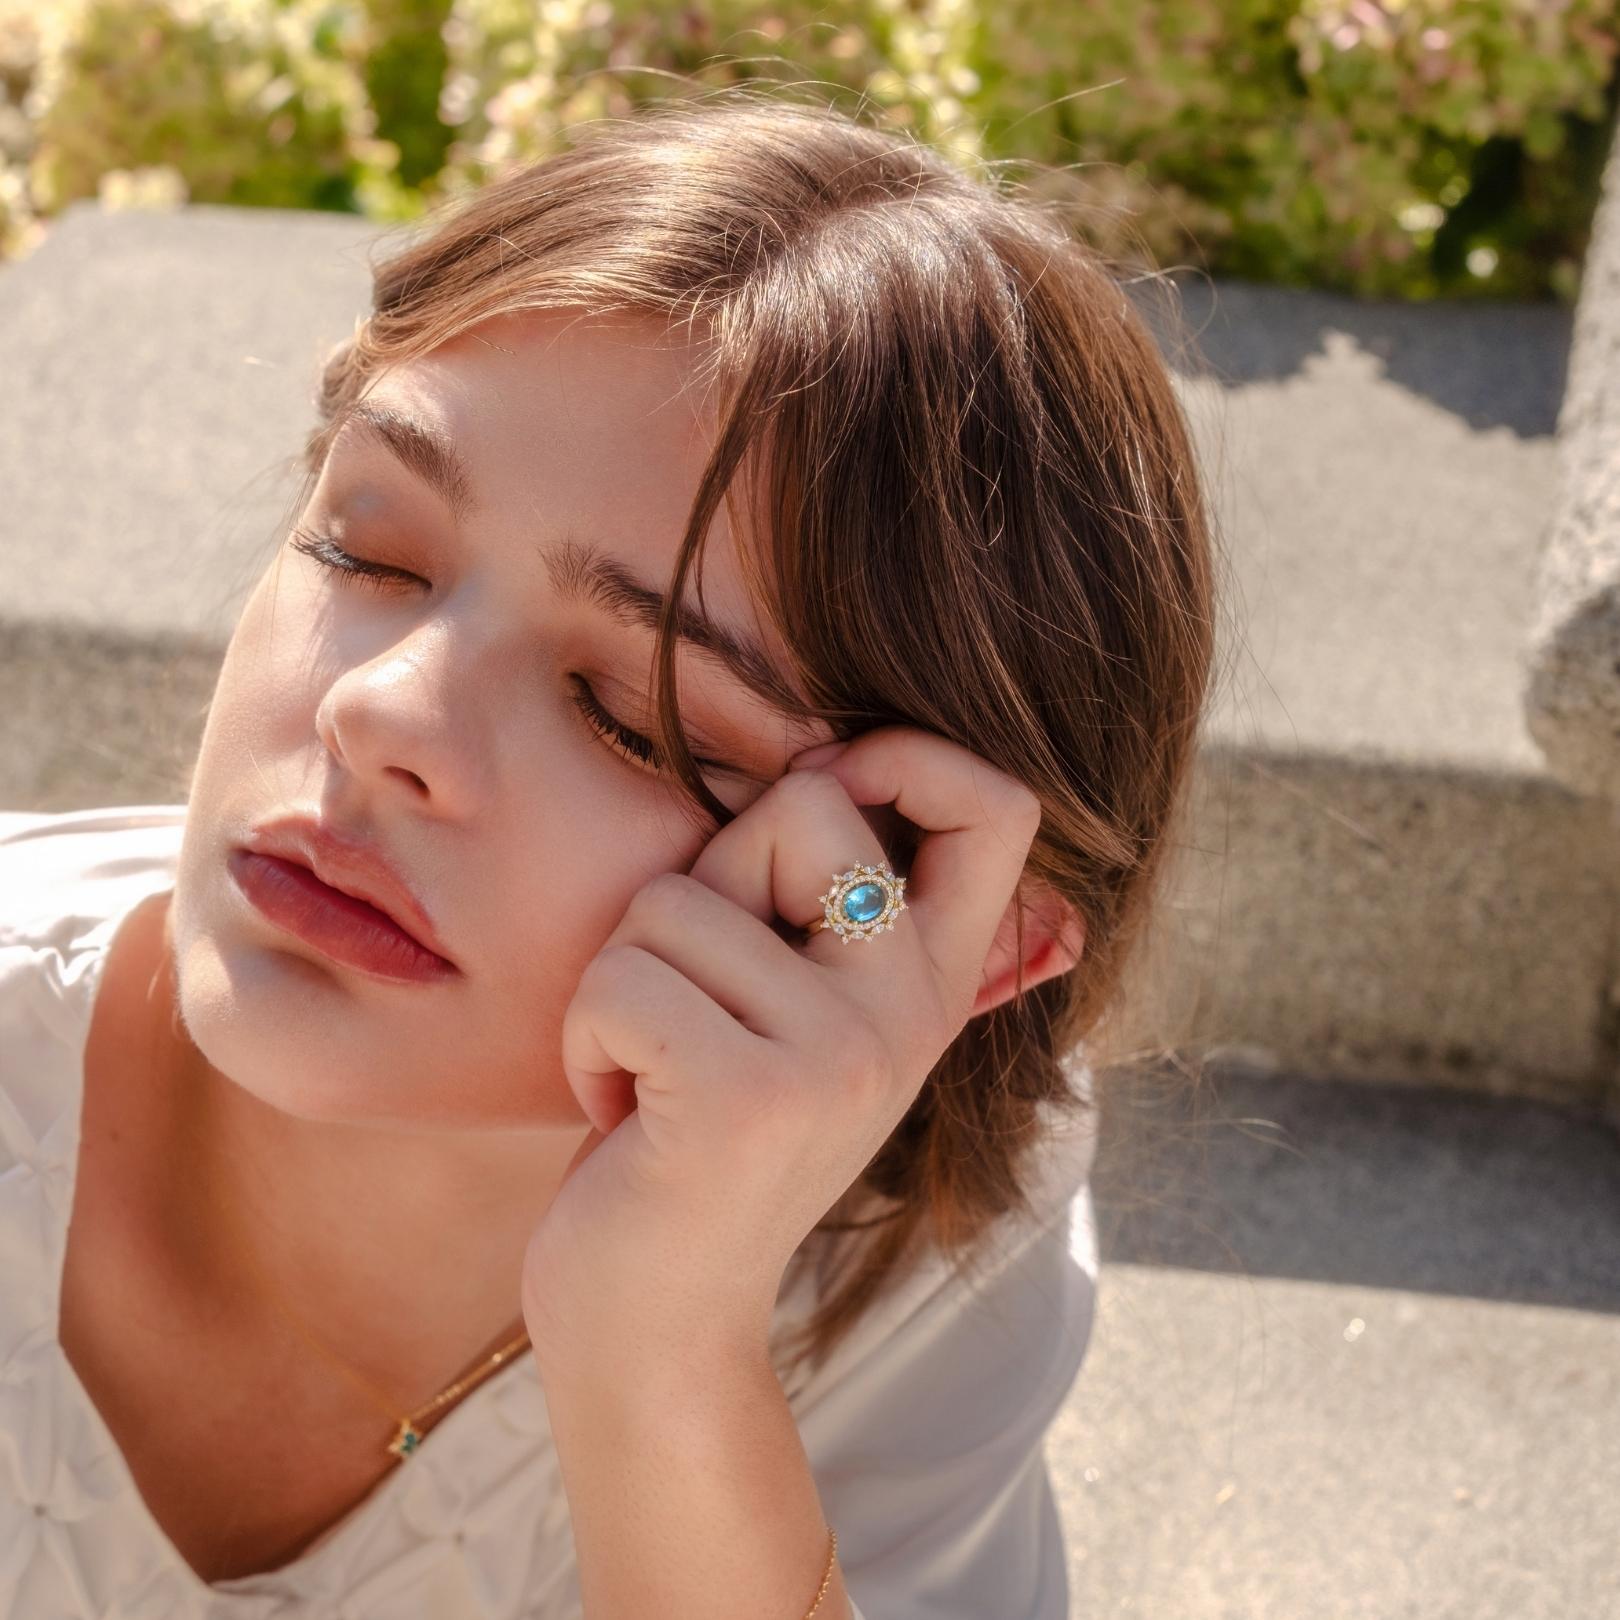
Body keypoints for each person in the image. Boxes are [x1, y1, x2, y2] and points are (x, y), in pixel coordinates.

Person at [0, 91, 1216, 1619]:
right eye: (367, 550)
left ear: (950, 934)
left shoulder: (909, 1258)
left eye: (636, 719)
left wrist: (659, 1349)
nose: (382, 709)